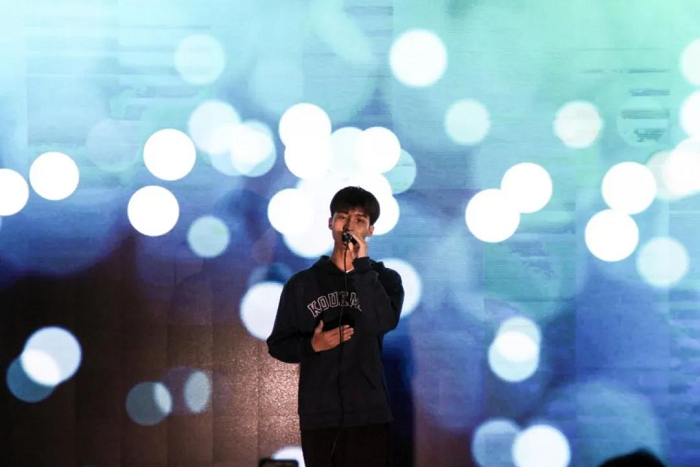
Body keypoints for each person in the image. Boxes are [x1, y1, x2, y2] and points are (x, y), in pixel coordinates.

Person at [267, 186, 405, 467]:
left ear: (370, 230)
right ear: (330, 223)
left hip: (369, 413)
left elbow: (383, 322)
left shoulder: (385, 279)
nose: (349, 226)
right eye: (343, 217)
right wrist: (312, 345)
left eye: (360, 220)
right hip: (320, 414)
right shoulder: (302, 284)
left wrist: (362, 267)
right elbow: (278, 344)